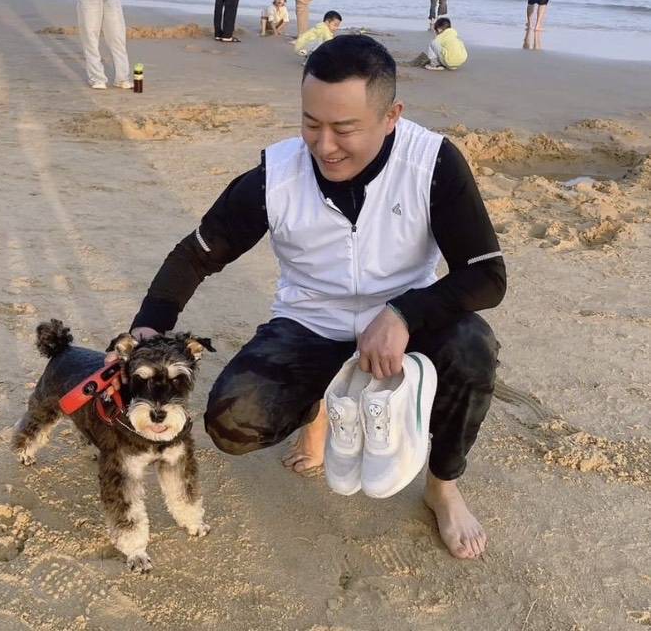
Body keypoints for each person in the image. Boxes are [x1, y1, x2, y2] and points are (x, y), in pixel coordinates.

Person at [122, 35, 505, 560]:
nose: (325, 147)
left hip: (407, 326)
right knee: (233, 424)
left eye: (344, 129)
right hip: (310, 323)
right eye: (311, 123)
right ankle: (319, 406)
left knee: (473, 348)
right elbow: (196, 255)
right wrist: (147, 328)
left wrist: (403, 313)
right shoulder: (277, 176)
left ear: (391, 116)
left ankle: (442, 487)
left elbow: (486, 275)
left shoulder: (431, 164)